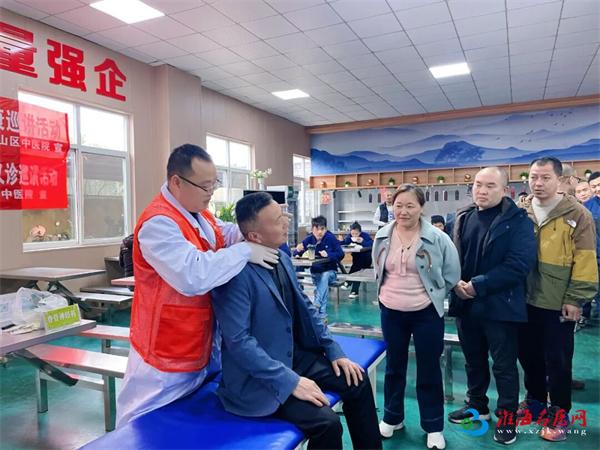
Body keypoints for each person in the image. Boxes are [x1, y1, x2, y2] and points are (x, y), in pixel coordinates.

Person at [116, 144, 279, 426]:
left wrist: (258, 230)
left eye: (214, 183)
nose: (211, 192)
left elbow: (225, 234)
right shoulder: (158, 223)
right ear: (176, 182)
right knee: (147, 429)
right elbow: (193, 275)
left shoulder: (199, 214)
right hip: (166, 353)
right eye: (205, 186)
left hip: (199, 345)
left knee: (192, 421)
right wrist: (245, 251)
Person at [213, 192, 382, 450]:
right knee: (327, 423)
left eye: (283, 214)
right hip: (259, 376)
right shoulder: (235, 274)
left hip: (295, 356)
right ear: (254, 236)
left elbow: (307, 308)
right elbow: (239, 343)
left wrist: (334, 350)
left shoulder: (281, 257)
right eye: (277, 219)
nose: (286, 221)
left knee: (356, 381)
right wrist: (289, 381)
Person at [447, 167, 536, 445]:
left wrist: (479, 285)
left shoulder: (518, 221)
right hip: (466, 304)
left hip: (501, 306)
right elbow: (452, 256)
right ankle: (477, 406)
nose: (482, 191)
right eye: (477, 184)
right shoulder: (463, 217)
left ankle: (507, 418)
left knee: (504, 366)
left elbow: (519, 265)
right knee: (473, 361)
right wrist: (455, 283)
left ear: (505, 190)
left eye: (490, 186)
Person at [373, 184, 460, 450]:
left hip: (426, 313)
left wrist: (434, 294)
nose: (403, 211)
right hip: (391, 311)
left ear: (421, 208)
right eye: (398, 205)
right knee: (394, 366)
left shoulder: (437, 237)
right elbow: (378, 267)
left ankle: (433, 426)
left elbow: (452, 273)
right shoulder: (383, 235)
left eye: (410, 206)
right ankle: (392, 418)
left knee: (429, 368)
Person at [517, 157, 598, 442]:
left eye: (545, 178)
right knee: (527, 355)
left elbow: (585, 260)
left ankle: (559, 413)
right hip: (523, 298)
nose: (537, 183)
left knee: (558, 359)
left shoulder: (577, 214)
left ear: (559, 179)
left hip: (558, 301)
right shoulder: (521, 211)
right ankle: (535, 403)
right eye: (533, 177)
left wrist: (575, 299)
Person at [294, 216, 344, 321]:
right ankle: (321, 314)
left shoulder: (330, 238)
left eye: (322, 229)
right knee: (322, 285)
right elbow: (297, 252)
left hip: (331, 273)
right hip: (315, 274)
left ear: (326, 229)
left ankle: (317, 303)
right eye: (317, 229)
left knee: (325, 276)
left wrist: (329, 254)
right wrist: (297, 252)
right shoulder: (309, 239)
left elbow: (341, 254)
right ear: (312, 229)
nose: (320, 232)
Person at [341, 221, 373, 299]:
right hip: (357, 260)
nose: (354, 235)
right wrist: (349, 240)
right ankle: (354, 291)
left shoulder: (365, 236)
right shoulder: (349, 236)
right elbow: (345, 243)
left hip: (366, 260)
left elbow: (372, 244)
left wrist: (363, 241)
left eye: (356, 233)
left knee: (356, 268)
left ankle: (349, 282)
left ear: (360, 232)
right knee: (356, 268)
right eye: (352, 233)